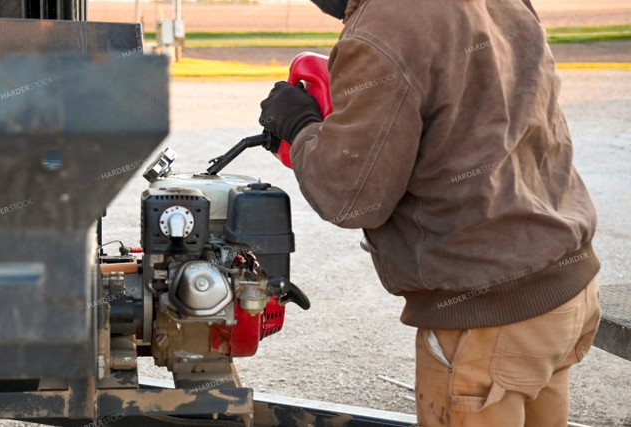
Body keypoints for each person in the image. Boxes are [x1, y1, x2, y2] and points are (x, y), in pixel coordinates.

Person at [257, 0, 601, 425]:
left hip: (488, 320)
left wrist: (301, 127)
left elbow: (348, 196)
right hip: (563, 291)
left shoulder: (386, 23)